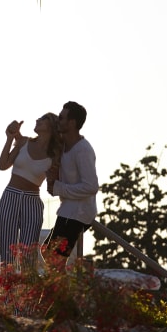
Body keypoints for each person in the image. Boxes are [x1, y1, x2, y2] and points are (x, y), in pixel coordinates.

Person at [0, 112, 62, 268]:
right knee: (7, 256)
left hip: (32, 201)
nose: (38, 119)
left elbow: (55, 183)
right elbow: (2, 165)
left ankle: (28, 285)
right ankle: (6, 285)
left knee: (28, 258)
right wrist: (10, 138)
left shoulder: (55, 155)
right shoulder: (24, 142)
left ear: (52, 126)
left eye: (43, 119)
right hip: (10, 196)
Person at [43, 101, 99, 260]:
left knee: (53, 257)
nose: (58, 121)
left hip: (78, 213)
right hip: (68, 210)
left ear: (72, 123)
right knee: (48, 252)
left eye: (61, 118)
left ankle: (67, 279)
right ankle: (62, 277)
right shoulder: (63, 147)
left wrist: (58, 188)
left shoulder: (83, 149)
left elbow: (91, 186)